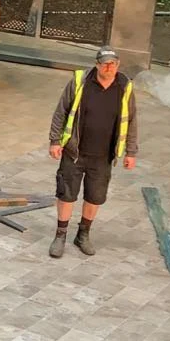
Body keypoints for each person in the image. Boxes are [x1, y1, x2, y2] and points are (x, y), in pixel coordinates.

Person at [47, 48, 137, 259]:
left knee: (95, 197)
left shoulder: (124, 87)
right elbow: (61, 111)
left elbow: (131, 121)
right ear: (97, 64)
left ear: (118, 64)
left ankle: (83, 234)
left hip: (103, 156)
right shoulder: (80, 82)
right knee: (67, 194)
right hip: (75, 152)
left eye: (112, 63)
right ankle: (60, 235)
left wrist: (130, 152)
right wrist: (55, 140)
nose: (108, 67)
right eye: (104, 63)